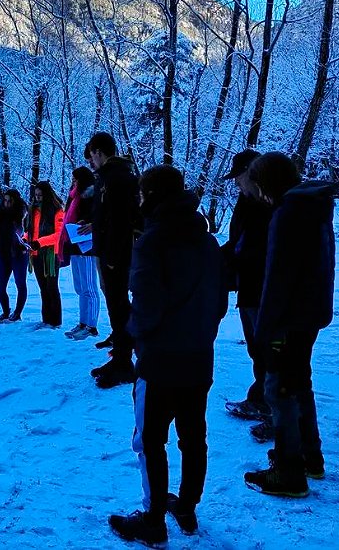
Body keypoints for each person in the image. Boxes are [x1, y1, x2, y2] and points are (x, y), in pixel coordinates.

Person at [108, 165, 227, 546]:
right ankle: (187, 508)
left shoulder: (152, 242)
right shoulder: (207, 242)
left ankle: (154, 519)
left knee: (150, 439)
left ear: (151, 196)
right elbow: (220, 301)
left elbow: (145, 306)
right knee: (193, 437)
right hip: (198, 356)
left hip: (159, 360)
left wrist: (135, 337)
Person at [243, 152, 337, 498]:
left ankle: (288, 471)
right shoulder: (313, 208)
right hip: (310, 314)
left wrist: (266, 327)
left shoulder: (288, 214)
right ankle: (310, 457)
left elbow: (278, 278)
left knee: (279, 389)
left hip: (289, 319)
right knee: (299, 384)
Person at [82, 132, 142, 389]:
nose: (91, 162)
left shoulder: (117, 177)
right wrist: (93, 224)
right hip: (108, 250)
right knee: (115, 306)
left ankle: (124, 361)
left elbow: (120, 219)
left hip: (115, 254)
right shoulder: (108, 177)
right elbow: (107, 216)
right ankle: (120, 356)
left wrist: (114, 257)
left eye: (92, 156)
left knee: (118, 306)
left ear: (99, 151)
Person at [219, 150, 274, 422]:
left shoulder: (269, 205)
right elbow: (239, 241)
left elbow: (254, 247)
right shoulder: (248, 201)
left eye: (239, 178)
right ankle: (263, 398)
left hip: (264, 290)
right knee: (257, 348)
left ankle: (272, 407)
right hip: (249, 286)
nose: (236, 184)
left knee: (269, 351)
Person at [59, 167, 101, 341]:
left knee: (90, 287)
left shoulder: (92, 195)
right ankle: (83, 322)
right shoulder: (73, 197)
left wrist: (88, 222)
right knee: (80, 287)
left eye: (76, 179)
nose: (73, 182)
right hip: (75, 245)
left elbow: (97, 217)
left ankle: (91, 326)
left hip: (88, 246)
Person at [26, 181, 65, 329]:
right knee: (43, 288)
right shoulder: (33, 211)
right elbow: (31, 230)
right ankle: (46, 318)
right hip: (35, 253)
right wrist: (25, 239)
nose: (38, 198)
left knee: (52, 288)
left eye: (40, 195)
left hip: (50, 254)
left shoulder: (57, 211)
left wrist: (40, 242)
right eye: (36, 195)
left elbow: (58, 234)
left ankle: (55, 320)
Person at [0, 188, 31, 323]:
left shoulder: (22, 215)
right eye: (5, 201)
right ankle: (5, 311)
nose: (7, 203)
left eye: (10, 201)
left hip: (19, 253)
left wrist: (23, 242)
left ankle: (17, 312)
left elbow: (27, 232)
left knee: (20, 283)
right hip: (4, 254)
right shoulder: (0, 215)